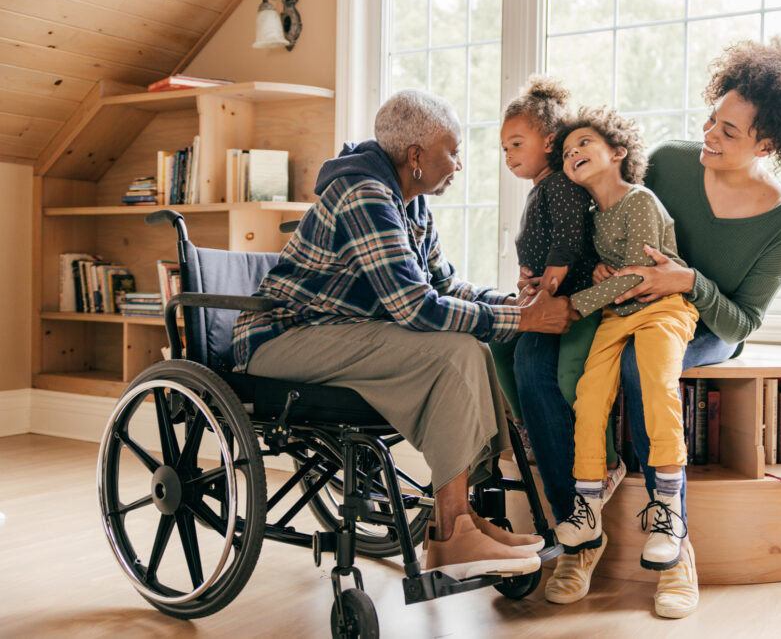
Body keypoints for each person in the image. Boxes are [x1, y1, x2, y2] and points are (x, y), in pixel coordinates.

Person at [515, 38, 781, 617]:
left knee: (641, 371)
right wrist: (586, 267)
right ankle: (581, 530)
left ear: (767, 144)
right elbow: (606, 216)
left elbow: (745, 320)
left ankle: (674, 547)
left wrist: (687, 280)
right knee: (532, 359)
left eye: (729, 133)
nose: (710, 137)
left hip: (703, 322)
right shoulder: (669, 161)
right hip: (625, 304)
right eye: (712, 120)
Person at [230, 89, 578, 581]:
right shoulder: (364, 194)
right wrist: (525, 321)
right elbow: (414, 308)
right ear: (416, 157)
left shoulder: (410, 204)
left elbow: (443, 285)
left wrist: (513, 304)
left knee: (471, 346)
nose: (458, 164)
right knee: (454, 351)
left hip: (338, 334)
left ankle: (460, 523)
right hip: (282, 342)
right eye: (451, 151)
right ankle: (452, 531)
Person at [551, 106, 700, 578]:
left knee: (657, 383)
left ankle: (668, 511)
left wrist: (575, 304)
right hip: (618, 315)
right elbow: (612, 274)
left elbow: (637, 275)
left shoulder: (639, 200)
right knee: (589, 395)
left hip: (662, 308)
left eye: (584, 144)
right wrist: (597, 274)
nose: (572, 153)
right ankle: (587, 504)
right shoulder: (592, 217)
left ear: (618, 152)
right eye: (567, 151)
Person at [488, 76, 617, 469]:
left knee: (555, 369)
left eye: (515, 144)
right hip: (546, 292)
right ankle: (527, 426)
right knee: (497, 342)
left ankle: (598, 458)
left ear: (548, 142)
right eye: (504, 148)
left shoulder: (560, 184)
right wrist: (530, 280)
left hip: (571, 296)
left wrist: (546, 284)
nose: (508, 155)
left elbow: (568, 240)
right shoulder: (540, 187)